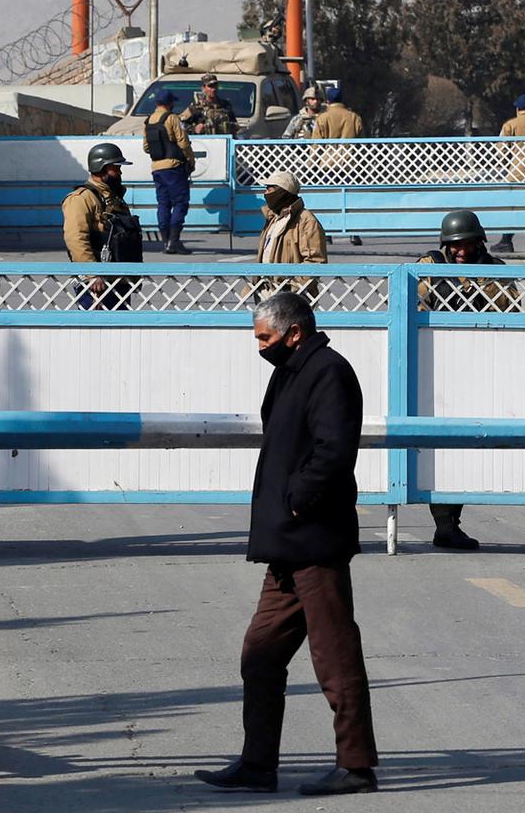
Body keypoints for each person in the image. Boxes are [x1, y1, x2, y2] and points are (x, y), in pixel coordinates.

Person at [196, 292, 379, 797]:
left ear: (293, 332)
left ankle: (356, 767)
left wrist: (299, 498)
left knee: (334, 654)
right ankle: (258, 764)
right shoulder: (291, 371)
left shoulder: (329, 372)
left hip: (314, 539)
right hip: (286, 545)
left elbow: (334, 449)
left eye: (264, 337)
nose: (259, 346)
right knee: (260, 652)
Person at [412, 210, 513, 551]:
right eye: (454, 246)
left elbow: (509, 307)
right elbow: (413, 304)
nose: (460, 252)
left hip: (478, 366)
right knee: (437, 446)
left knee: (465, 445)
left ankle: (450, 524)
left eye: (467, 244)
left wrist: (476, 282)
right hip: (436, 363)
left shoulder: (494, 270)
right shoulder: (430, 265)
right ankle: (444, 524)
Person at [61, 143, 142, 309]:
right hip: (97, 284)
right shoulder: (81, 198)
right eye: (115, 168)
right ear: (101, 168)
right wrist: (92, 274)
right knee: (95, 332)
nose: (119, 173)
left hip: (119, 279)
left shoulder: (114, 197)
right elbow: (75, 238)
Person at [254, 170, 328, 299]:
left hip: (292, 296)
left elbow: (315, 261)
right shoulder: (273, 218)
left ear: (282, 192)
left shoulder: (305, 220)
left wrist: (294, 288)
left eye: (269, 189)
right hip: (266, 290)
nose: (265, 193)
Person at [145, 88, 198, 254]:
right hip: (174, 167)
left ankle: (166, 241)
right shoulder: (172, 118)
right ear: (169, 103)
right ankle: (174, 241)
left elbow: (146, 147)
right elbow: (183, 142)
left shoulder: (149, 121)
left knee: (163, 203)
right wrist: (191, 160)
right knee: (180, 202)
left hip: (157, 168)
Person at [498, 93, 525, 248]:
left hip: (517, 173)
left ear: (518, 109)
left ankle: (506, 240)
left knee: (513, 207)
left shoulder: (510, 124)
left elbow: (501, 152)